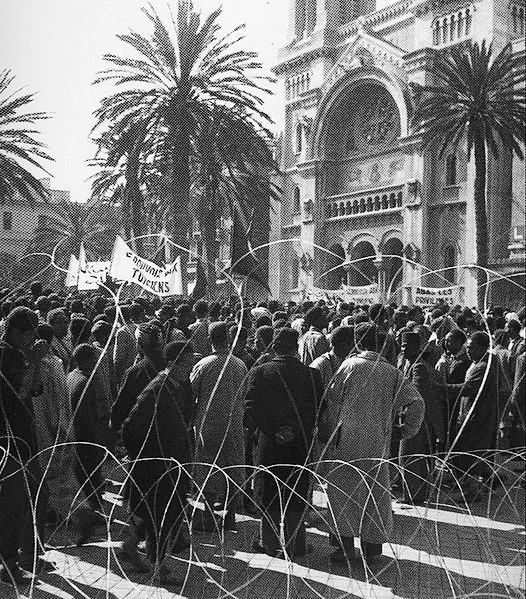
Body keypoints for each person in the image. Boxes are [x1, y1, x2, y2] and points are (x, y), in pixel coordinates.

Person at [320, 323, 424, 566]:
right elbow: (417, 402)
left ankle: (344, 549)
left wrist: (329, 431)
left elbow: (332, 402)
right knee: (374, 496)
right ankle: (371, 550)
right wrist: (405, 430)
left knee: (343, 494)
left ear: (357, 341)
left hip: (346, 443)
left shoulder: (349, 366)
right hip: (377, 443)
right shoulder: (391, 372)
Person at [245, 327, 323, 557]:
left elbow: (250, 408)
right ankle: (296, 543)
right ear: (295, 347)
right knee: (296, 492)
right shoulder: (311, 375)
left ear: (275, 347)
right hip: (299, 443)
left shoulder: (260, 372)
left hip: (269, 443)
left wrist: (273, 430)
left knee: (269, 491)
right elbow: (319, 408)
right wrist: (295, 430)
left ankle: (268, 542)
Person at [122, 341, 194, 586]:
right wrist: (142, 458)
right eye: (186, 364)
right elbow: (130, 426)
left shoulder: (176, 387)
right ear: (173, 364)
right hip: (157, 467)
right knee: (163, 515)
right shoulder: (157, 390)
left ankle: (132, 546)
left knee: (160, 513)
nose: (190, 368)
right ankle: (158, 567)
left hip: (172, 464)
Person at [0, 307, 52, 584]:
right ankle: (8, 563)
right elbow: (16, 394)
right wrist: (33, 362)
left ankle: (28, 553)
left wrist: (36, 363)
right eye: (30, 334)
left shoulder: (21, 354)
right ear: (17, 332)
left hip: (25, 438)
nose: (34, 340)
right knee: (12, 502)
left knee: (36, 495)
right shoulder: (4, 355)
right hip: (9, 441)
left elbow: (35, 390)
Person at [191, 322, 248, 531]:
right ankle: (231, 515)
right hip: (234, 423)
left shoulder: (204, 364)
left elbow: (192, 393)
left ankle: (207, 515)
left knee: (208, 468)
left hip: (208, 424)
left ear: (209, 340)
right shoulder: (240, 364)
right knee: (233, 467)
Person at [447, 332, 499, 501]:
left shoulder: (483, 366)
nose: (468, 351)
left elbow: (468, 388)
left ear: (483, 348)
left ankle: (472, 491)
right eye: (467, 348)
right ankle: (490, 478)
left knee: (469, 452)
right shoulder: (479, 363)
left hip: (476, 416)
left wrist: (442, 388)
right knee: (473, 451)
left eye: (472, 348)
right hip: (471, 413)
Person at [398, 331, 445, 504]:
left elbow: (416, 391)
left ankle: (413, 496)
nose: (403, 349)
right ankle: (416, 494)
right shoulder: (408, 363)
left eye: (407, 345)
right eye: (402, 345)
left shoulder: (418, 366)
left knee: (409, 456)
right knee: (411, 456)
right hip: (409, 416)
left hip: (414, 418)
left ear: (417, 347)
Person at [68, 343, 107, 514]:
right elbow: (90, 414)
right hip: (87, 433)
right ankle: (94, 510)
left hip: (75, 432)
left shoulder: (71, 375)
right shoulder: (87, 382)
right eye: (94, 359)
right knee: (91, 472)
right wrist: (100, 438)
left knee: (80, 471)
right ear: (86, 360)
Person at [310, 326, 354, 390]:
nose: (354, 348)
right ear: (344, 345)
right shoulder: (320, 365)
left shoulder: (347, 362)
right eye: (352, 345)